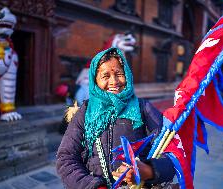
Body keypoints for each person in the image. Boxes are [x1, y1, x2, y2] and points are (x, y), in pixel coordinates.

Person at [56, 48, 176, 189]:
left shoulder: (143, 108)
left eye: (119, 74)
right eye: (105, 76)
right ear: (95, 81)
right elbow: (66, 158)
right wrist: (94, 186)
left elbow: (172, 152)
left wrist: (148, 171)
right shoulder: (85, 112)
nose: (113, 81)